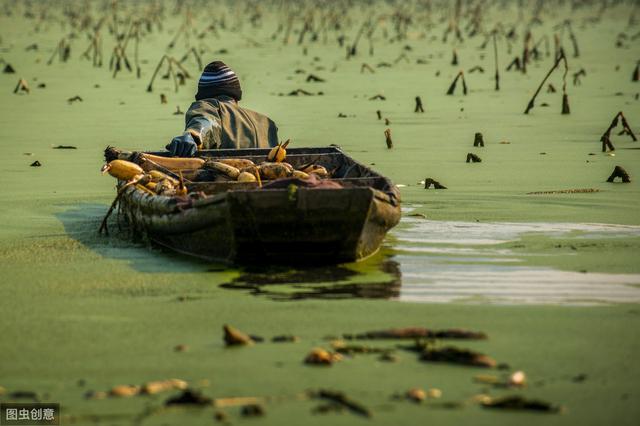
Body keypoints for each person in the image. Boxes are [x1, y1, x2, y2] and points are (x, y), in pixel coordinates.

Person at [166, 61, 279, 157]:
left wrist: (193, 136)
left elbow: (206, 121)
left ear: (204, 97)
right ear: (236, 96)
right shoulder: (268, 124)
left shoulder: (210, 107)